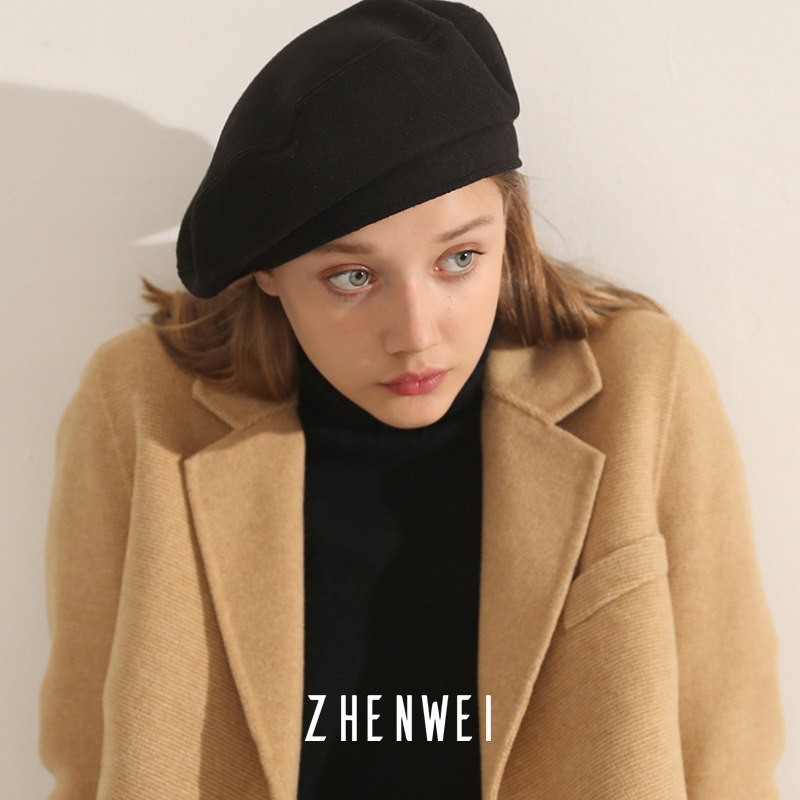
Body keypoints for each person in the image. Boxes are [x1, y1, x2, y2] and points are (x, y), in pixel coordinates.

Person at [39, 1, 784, 798]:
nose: (417, 335)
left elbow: (728, 757)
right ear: (267, 272)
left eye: (459, 259)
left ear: (508, 226)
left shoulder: (642, 390)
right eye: (353, 277)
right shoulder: (140, 408)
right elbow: (86, 755)